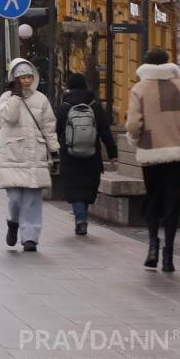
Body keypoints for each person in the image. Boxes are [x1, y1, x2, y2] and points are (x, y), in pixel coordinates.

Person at [125, 47, 180, 273]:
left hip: (151, 154)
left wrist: (136, 139)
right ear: (167, 63)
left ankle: (152, 247)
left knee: (153, 199)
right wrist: (178, 132)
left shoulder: (140, 89)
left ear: (146, 63)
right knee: (172, 202)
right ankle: (169, 254)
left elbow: (133, 125)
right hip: (176, 153)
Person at [0, 58, 58, 253]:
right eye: (22, 77)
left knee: (33, 198)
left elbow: (49, 127)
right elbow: (9, 117)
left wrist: (54, 151)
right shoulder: (6, 98)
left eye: (29, 76)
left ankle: (30, 238)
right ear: (15, 78)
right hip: (13, 155)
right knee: (14, 198)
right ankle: (13, 222)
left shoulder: (41, 99)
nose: (27, 80)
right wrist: (16, 95)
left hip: (35, 155)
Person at [55, 72, 118, 237]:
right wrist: (112, 153)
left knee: (74, 187)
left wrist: (52, 151)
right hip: (92, 155)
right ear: (85, 86)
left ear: (69, 87)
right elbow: (105, 131)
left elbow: (55, 131)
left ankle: (80, 218)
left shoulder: (64, 106)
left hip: (69, 155)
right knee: (87, 187)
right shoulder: (95, 106)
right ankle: (83, 216)